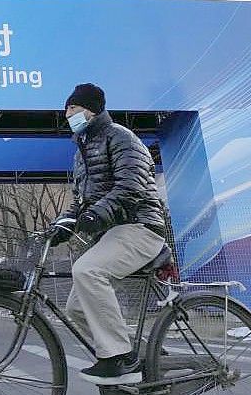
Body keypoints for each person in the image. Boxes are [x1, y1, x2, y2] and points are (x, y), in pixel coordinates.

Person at [55, 83, 167, 386]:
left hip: (140, 228)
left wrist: (98, 213)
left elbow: (132, 184)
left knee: (87, 270)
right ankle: (140, 355)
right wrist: (62, 224)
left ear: (90, 110)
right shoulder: (82, 153)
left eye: (72, 108)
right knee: (76, 309)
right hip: (111, 235)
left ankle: (118, 358)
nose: (67, 115)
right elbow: (79, 202)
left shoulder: (121, 137)